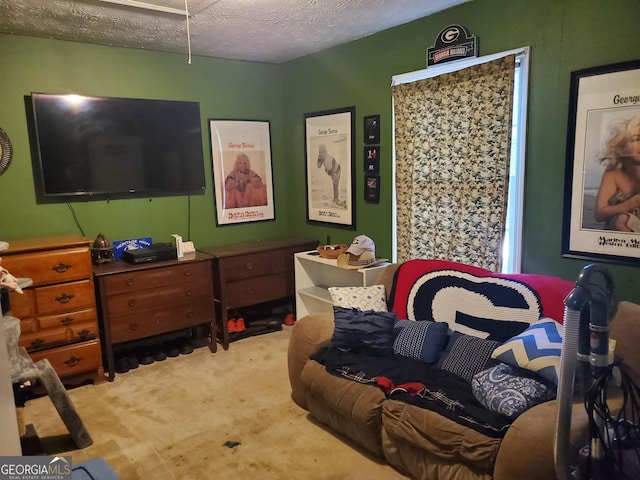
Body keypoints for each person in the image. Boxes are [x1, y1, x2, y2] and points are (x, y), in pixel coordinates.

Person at [594, 115, 640, 232]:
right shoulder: (613, 173)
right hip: (618, 231)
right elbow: (599, 214)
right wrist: (631, 203)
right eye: (638, 138)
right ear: (622, 142)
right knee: (621, 220)